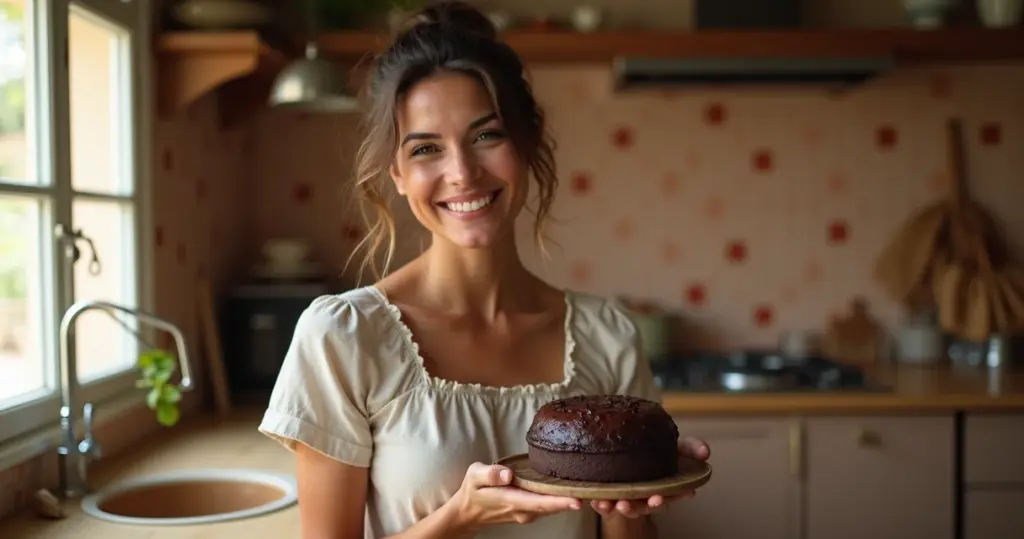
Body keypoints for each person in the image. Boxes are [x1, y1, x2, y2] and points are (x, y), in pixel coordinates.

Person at [257, 2, 711, 538]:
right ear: (396, 174)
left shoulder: (606, 337)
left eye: (486, 136)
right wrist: (460, 516)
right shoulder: (343, 339)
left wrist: (630, 504)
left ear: (528, 140)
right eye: (426, 148)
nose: (462, 173)